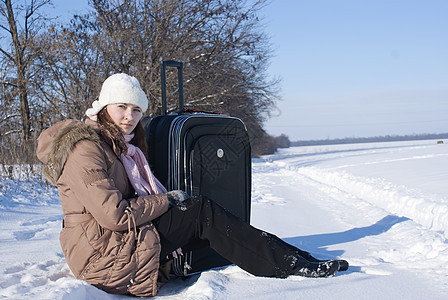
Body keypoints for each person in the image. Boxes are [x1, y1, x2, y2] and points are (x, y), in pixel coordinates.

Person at [36, 73, 348, 297]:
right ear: (103, 108)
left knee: (211, 221)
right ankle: (289, 265)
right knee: (201, 213)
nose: (129, 116)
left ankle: (297, 257)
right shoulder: (85, 149)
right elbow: (114, 215)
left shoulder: (119, 146)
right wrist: (167, 201)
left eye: (136, 110)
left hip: (118, 240)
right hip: (102, 256)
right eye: (122, 107)